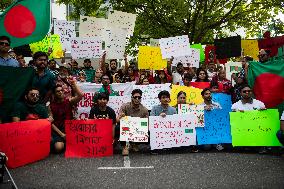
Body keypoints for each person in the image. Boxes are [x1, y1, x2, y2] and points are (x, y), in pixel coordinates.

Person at [49, 80, 83, 153]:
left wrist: (74, 83)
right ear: (54, 94)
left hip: (70, 128)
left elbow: (80, 95)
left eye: (61, 90)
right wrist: (62, 135)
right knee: (58, 148)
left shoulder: (69, 101)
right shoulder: (50, 106)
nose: (61, 92)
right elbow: (51, 123)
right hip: (58, 130)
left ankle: (68, 142)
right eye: (58, 91)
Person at [118, 89, 149, 155]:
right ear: (132, 97)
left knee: (147, 131)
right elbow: (117, 120)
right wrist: (121, 116)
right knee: (118, 128)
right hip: (126, 127)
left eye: (139, 97)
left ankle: (134, 143)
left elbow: (145, 124)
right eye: (135, 97)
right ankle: (124, 147)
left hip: (137, 128)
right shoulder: (125, 106)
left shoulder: (145, 110)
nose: (137, 99)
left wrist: (140, 124)